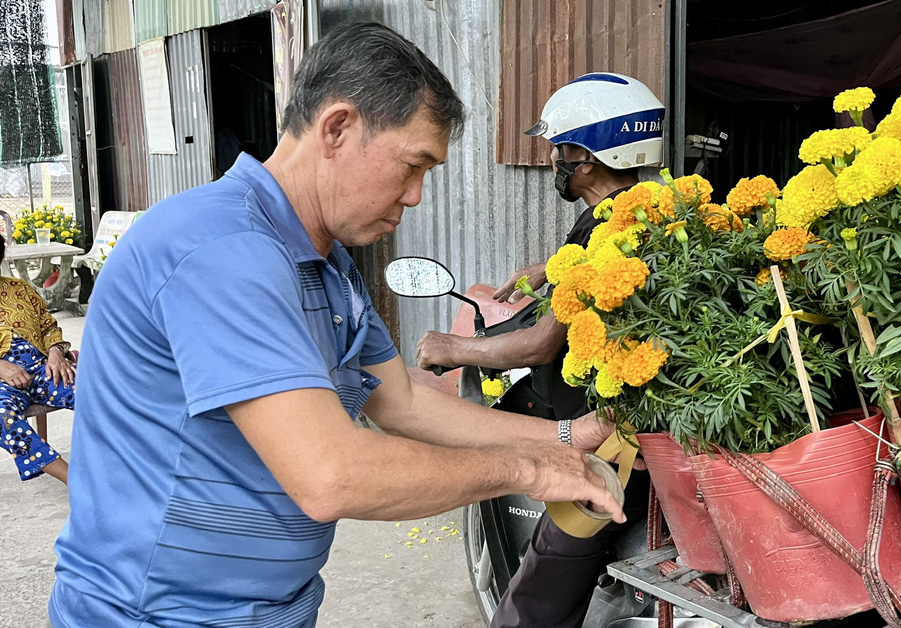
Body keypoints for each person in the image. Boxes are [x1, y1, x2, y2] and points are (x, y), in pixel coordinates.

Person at [49, 22, 623, 628]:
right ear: (337, 128)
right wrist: (532, 470)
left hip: (272, 609)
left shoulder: (328, 265)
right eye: (412, 166)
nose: (417, 197)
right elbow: (331, 474)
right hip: (156, 615)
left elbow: (401, 402)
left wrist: (568, 438)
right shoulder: (219, 249)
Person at [415, 72, 666, 628]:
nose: (554, 159)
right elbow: (595, 272)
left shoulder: (604, 228)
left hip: (609, 437)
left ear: (589, 155)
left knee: (544, 580)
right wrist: (544, 270)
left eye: (560, 148)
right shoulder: (648, 209)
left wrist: (451, 347)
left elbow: (540, 342)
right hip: (645, 420)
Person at [0, 237, 74, 485]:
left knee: (97, 392)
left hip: (43, 368)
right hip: (2, 382)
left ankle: (132, 464)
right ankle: (76, 481)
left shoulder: (17, 288)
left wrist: (55, 353)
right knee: (3, 416)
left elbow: (48, 326)